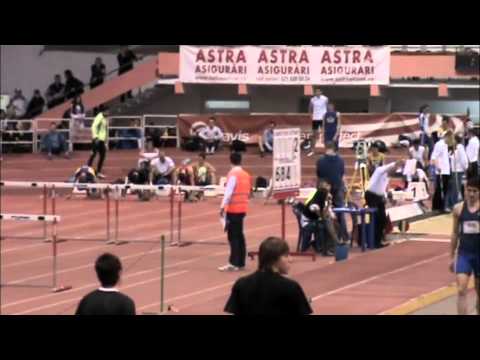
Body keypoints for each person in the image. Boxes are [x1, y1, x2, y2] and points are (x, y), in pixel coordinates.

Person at [224, 237, 313, 316]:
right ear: (274, 259)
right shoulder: (290, 287)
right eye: (286, 256)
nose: (290, 259)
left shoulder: (241, 284)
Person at [450, 176, 479, 315]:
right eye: (469, 190)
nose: (471, 194)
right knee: (461, 290)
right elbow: (455, 233)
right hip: (464, 254)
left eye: (475, 191)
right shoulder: (458, 209)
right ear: (465, 191)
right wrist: (451, 257)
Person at [219, 152, 252, 272]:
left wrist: (222, 207)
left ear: (230, 160)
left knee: (233, 236)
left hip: (233, 209)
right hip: (242, 208)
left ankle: (234, 262)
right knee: (240, 235)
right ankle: (241, 261)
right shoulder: (246, 174)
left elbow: (228, 192)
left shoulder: (233, 174)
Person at [365, 160, 405, 248]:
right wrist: (398, 163)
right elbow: (390, 167)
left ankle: (378, 240)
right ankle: (373, 241)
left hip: (378, 197)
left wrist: (389, 199)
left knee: (383, 219)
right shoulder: (380, 170)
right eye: (394, 171)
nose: (394, 173)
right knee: (376, 218)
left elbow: (382, 190)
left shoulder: (387, 176)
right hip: (371, 195)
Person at [316, 141, 349, 243]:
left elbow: (319, 175)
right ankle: (344, 237)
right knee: (340, 212)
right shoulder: (341, 160)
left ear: (326, 147)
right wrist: (345, 188)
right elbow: (342, 175)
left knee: (324, 213)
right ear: (336, 149)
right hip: (338, 187)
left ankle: (325, 239)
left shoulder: (320, 160)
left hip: (325, 189)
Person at [300, 183, 340, 255]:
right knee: (323, 227)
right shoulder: (314, 205)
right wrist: (327, 207)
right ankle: (324, 247)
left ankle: (329, 246)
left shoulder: (322, 202)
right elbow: (321, 216)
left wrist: (328, 205)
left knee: (333, 225)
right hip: (308, 222)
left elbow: (325, 214)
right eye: (326, 196)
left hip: (316, 220)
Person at [431, 130, 454, 212]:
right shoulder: (439, 144)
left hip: (446, 171)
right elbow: (433, 158)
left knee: (445, 189)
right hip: (441, 171)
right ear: (446, 136)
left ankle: (441, 206)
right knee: (440, 190)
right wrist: (438, 167)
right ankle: (436, 207)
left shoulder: (446, 145)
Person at [446, 135, 469, 209]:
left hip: (458, 171)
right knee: (452, 189)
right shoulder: (452, 149)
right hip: (452, 172)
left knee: (456, 189)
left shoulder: (460, 147)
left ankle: (455, 205)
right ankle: (450, 204)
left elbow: (464, 159)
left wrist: (465, 168)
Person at [87, 107, 109, 179]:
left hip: (101, 140)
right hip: (97, 140)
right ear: (104, 111)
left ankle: (98, 172)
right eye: (107, 111)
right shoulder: (99, 117)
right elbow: (93, 126)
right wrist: (95, 137)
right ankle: (88, 170)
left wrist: (105, 140)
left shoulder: (104, 118)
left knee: (102, 155)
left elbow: (104, 129)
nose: (108, 113)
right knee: (93, 154)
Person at [307, 88, 328, 157]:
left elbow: (327, 108)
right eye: (316, 91)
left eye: (319, 91)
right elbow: (310, 108)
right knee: (314, 135)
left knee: (325, 135)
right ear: (315, 92)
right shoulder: (312, 99)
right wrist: (310, 116)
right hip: (315, 119)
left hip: (323, 119)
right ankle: (312, 150)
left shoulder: (325, 99)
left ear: (321, 92)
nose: (317, 92)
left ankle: (327, 151)